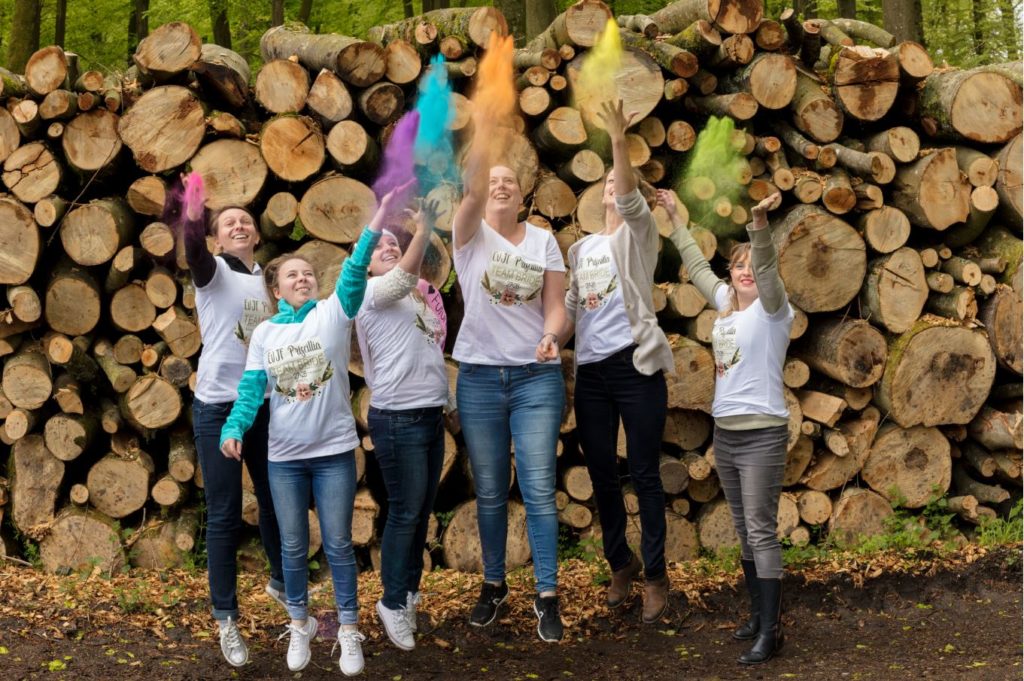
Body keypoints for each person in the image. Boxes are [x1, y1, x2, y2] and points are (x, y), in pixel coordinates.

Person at [219, 185, 408, 676]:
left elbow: (352, 271)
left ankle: (348, 631)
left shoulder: (332, 314)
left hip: (334, 454)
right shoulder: (265, 334)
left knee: (341, 544)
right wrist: (234, 427)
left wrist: (377, 219)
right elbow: (250, 389)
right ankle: (300, 625)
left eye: (307, 273)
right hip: (283, 457)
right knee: (292, 546)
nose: (302, 278)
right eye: (292, 275)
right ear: (275, 289)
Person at [558, 100, 675, 623]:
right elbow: (568, 313)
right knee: (603, 473)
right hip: (593, 375)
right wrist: (548, 339)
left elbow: (630, 197)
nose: (612, 185)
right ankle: (620, 563)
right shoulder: (581, 250)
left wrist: (617, 139)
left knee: (645, 473)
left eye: (617, 180)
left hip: (635, 367)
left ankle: (655, 576)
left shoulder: (638, 234)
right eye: (605, 180)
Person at [663, 189, 791, 665]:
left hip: (763, 432)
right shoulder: (726, 307)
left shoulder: (774, 311)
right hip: (727, 433)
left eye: (752, 265)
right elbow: (698, 267)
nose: (745, 270)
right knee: (742, 527)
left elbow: (769, 272)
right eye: (737, 264)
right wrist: (677, 221)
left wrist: (758, 223)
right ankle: (758, 617)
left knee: (760, 530)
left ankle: (772, 632)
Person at [451, 131, 567, 641]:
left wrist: (550, 334)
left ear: (523, 195)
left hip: (535, 378)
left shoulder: (544, 240)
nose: (500, 187)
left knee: (540, 489)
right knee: (492, 491)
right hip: (477, 379)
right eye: (492, 180)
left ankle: (547, 595)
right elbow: (472, 194)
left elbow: (558, 307)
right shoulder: (469, 233)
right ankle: (493, 585)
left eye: (509, 182)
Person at [178, 176, 284, 668]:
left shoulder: (270, 283)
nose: (239, 225)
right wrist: (195, 214)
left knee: (274, 501)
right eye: (229, 223)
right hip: (219, 409)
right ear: (220, 238)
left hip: (265, 407)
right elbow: (194, 252)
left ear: (257, 235)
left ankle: (282, 584)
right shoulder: (215, 271)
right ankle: (226, 618)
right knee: (223, 513)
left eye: (246, 221)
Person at [355, 200, 451, 651]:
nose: (389, 247)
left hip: (430, 416)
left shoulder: (416, 299)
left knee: (418, 513)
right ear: (366, 261)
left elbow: (430, 353)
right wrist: (425, 227)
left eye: (396, 243)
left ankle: (408, 595)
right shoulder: (370, 293)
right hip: (398, 418)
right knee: (405, 512)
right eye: (381, 245)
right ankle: (391, 602)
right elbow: (405, 275)